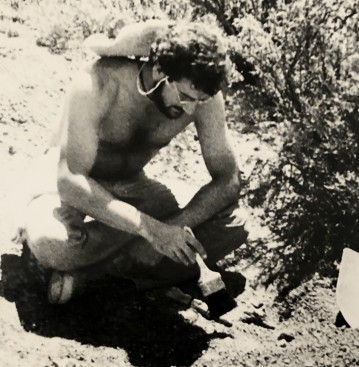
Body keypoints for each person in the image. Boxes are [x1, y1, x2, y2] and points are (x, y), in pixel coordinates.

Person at [16, 20, 249, 304]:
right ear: (161, 70)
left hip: (134, 190)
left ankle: (91, 274)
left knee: (234, 224)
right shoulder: (98, 83)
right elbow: (70, 180)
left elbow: (228, 180)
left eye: (199, 101)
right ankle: (126, 269)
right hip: (71, 187)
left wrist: (175, 226)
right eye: (185, 96)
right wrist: (150, 229)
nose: (190, 108)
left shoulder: (202, 98)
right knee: (50, 243)